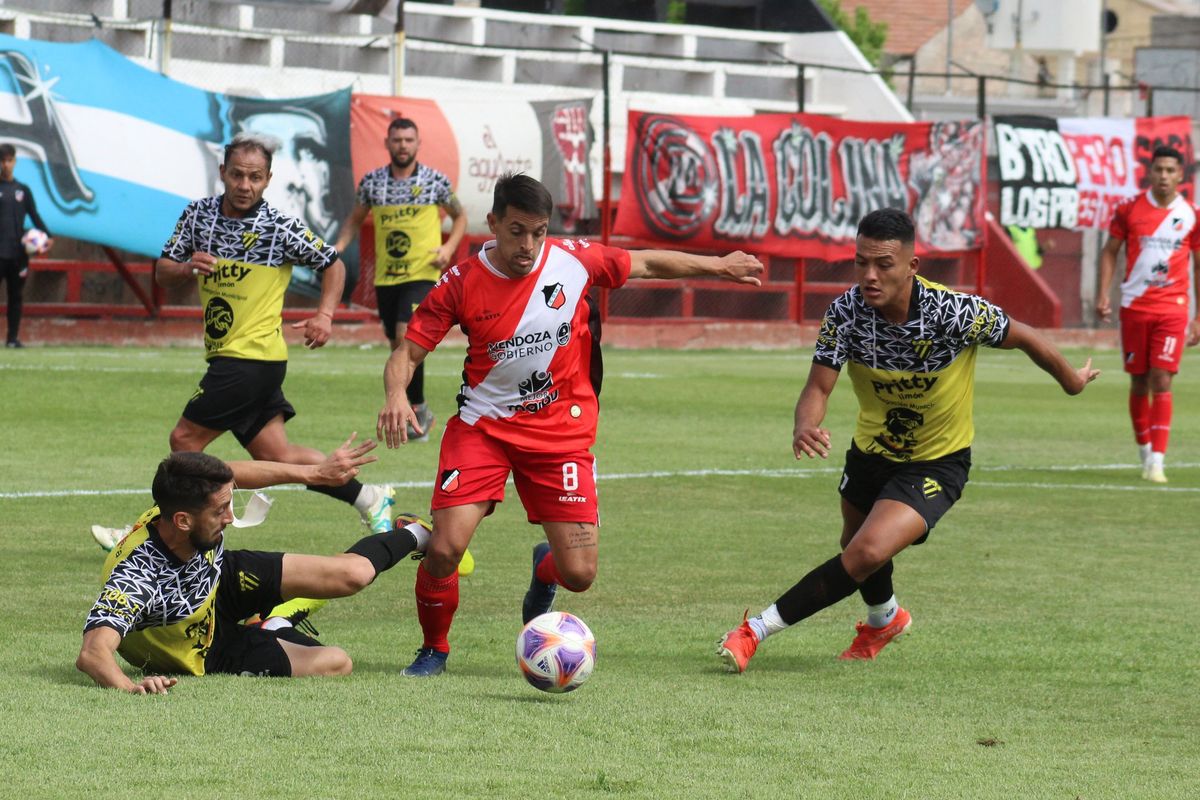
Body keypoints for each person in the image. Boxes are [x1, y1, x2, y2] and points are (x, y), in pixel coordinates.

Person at [376, 172, 764, 677]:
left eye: (539, 232)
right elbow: (408, 350)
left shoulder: (572, 261)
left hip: (560, 435)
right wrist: (395, 395)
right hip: (483, 429)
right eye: (516, 230)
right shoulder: (462, 282)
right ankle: (434, 650)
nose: (529, 245)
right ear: (492, 223)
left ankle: (545, 567)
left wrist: (719, 266)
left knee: (579, 575)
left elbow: (644, 262)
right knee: (447, 548)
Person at [717, 208, 1098, 673]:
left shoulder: (953, 312)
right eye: (860, 263)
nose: (869, 275)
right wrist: (805, 423)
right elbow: (818, 386)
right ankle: (884, 619)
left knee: (866, 552)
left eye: (883, 264)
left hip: (937, 464)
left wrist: (1072, 382)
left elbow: (1026, 337)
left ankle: (754, 630)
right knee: (855, 542)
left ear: (912, 266)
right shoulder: (846, 312)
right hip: (870, 454)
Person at [146, 131, 395, 532]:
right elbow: (163, 272)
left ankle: (163, 534)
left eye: (256, 177)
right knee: (279, 453)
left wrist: (325, 315)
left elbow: (334, 264)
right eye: (238, 175)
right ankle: (369, 497)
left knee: (184, 442)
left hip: (249, 358)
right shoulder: (198, 216)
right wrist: (189, 265)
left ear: (268, 179)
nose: (246, 186)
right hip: (247, 358)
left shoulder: (278, 227)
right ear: (223, 172)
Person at [77, 450, 435, 694]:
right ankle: (273, 623)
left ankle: (420, 533)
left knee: (352, 575)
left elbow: (232, 475)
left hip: (220, 581)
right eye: (220, 511)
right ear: (183, 521)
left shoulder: (183, 503)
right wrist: (132, 688)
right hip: (205, 648)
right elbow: (93, 653)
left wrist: (314, 474)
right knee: (336, 662)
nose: (231, 517)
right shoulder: (138, 576)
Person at [335, 117, 467, 441]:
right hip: (387, 278)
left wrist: (448, 247)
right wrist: (336, 248)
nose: (403, 146)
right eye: (397, 140)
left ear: (418, 143)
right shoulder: (372, 183)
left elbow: (460, 216)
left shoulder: (435, 181)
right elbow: (354, 220)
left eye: (409, 140)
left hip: (422, 273)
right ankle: (418, 407)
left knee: (406, 334)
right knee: (397, 345)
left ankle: (417, 408)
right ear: (388, 144)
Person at [1096, 145, 1200, 483]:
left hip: (1173, 308)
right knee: (1139, 381)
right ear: (1150, 172)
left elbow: (1198, 266)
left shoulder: (1192, 215)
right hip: (1134, 307)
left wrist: (1198, 317)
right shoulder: (1128, 209)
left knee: (1162, 378)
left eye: (1171, 170)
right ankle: (1144, 450)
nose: (1165, 176)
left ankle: (1157, 460)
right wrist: (1103, 294)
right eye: (1159, 170)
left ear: (1181, 175)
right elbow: (1109, 251)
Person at [0, 143, 53, 348]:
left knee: (16, 297)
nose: (6, 165)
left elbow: (34, 215)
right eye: (2, 161)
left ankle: (12, 339)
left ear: (15, 162)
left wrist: (48, 235)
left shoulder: (23, 190)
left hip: (18, 253)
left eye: (9, 160)